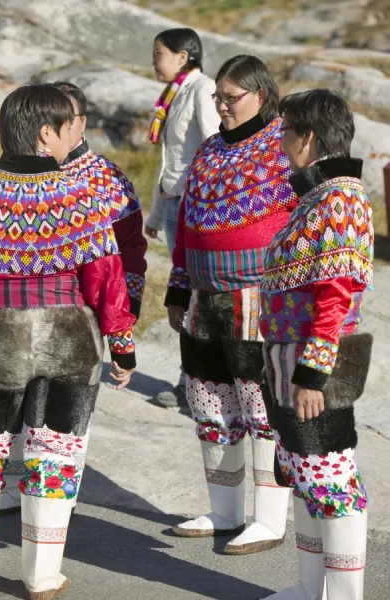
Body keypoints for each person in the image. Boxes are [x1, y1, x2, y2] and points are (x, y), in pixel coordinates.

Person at [0, 84, 135, 599]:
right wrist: (122, 345)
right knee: (53, 451)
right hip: (66, 333)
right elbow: (105, 276)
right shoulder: (79, 194)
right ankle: (40, 576)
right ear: (45, 134)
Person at [165, 55, 298, 554]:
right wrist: (178, 288)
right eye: (217, 97)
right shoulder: (208, 152)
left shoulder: (282, 149)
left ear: (260, 96)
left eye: (229, 97)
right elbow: (188, 226)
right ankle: (223, 512)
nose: (220, 105)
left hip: (256, 298)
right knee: (210, 403)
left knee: (258, 405)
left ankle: (268, 519)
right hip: (203, 296)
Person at [259, 89, 374, 599]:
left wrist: (312, 375)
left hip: (312, 362)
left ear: (307, 137)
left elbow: (335, 295)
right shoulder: (319, 195)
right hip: (290, 355)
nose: (281, 143)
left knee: (330, 479)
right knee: (305, 475)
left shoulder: (339, 197)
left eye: (285, 133)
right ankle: (310, 591)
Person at [145, 27, 220, 408]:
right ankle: (191, 382)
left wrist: (211, 203)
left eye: (159, 52)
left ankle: (194, 385)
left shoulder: (203, 89)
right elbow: (169, 160)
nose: (154, 60)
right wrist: (157, 212)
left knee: (196, 296)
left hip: (197, 206)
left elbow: (213, 146)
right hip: (176, 205)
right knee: (186, 295)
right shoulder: (173, 94)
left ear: (183, 55)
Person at [55, 81, 147, 321]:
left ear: (83, 123)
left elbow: (130, 245)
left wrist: (127, 308)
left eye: (67, 117)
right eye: (49, 115)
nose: (57, 125)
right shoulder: (26, 172)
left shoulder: (106, 177)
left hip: (84, 311)